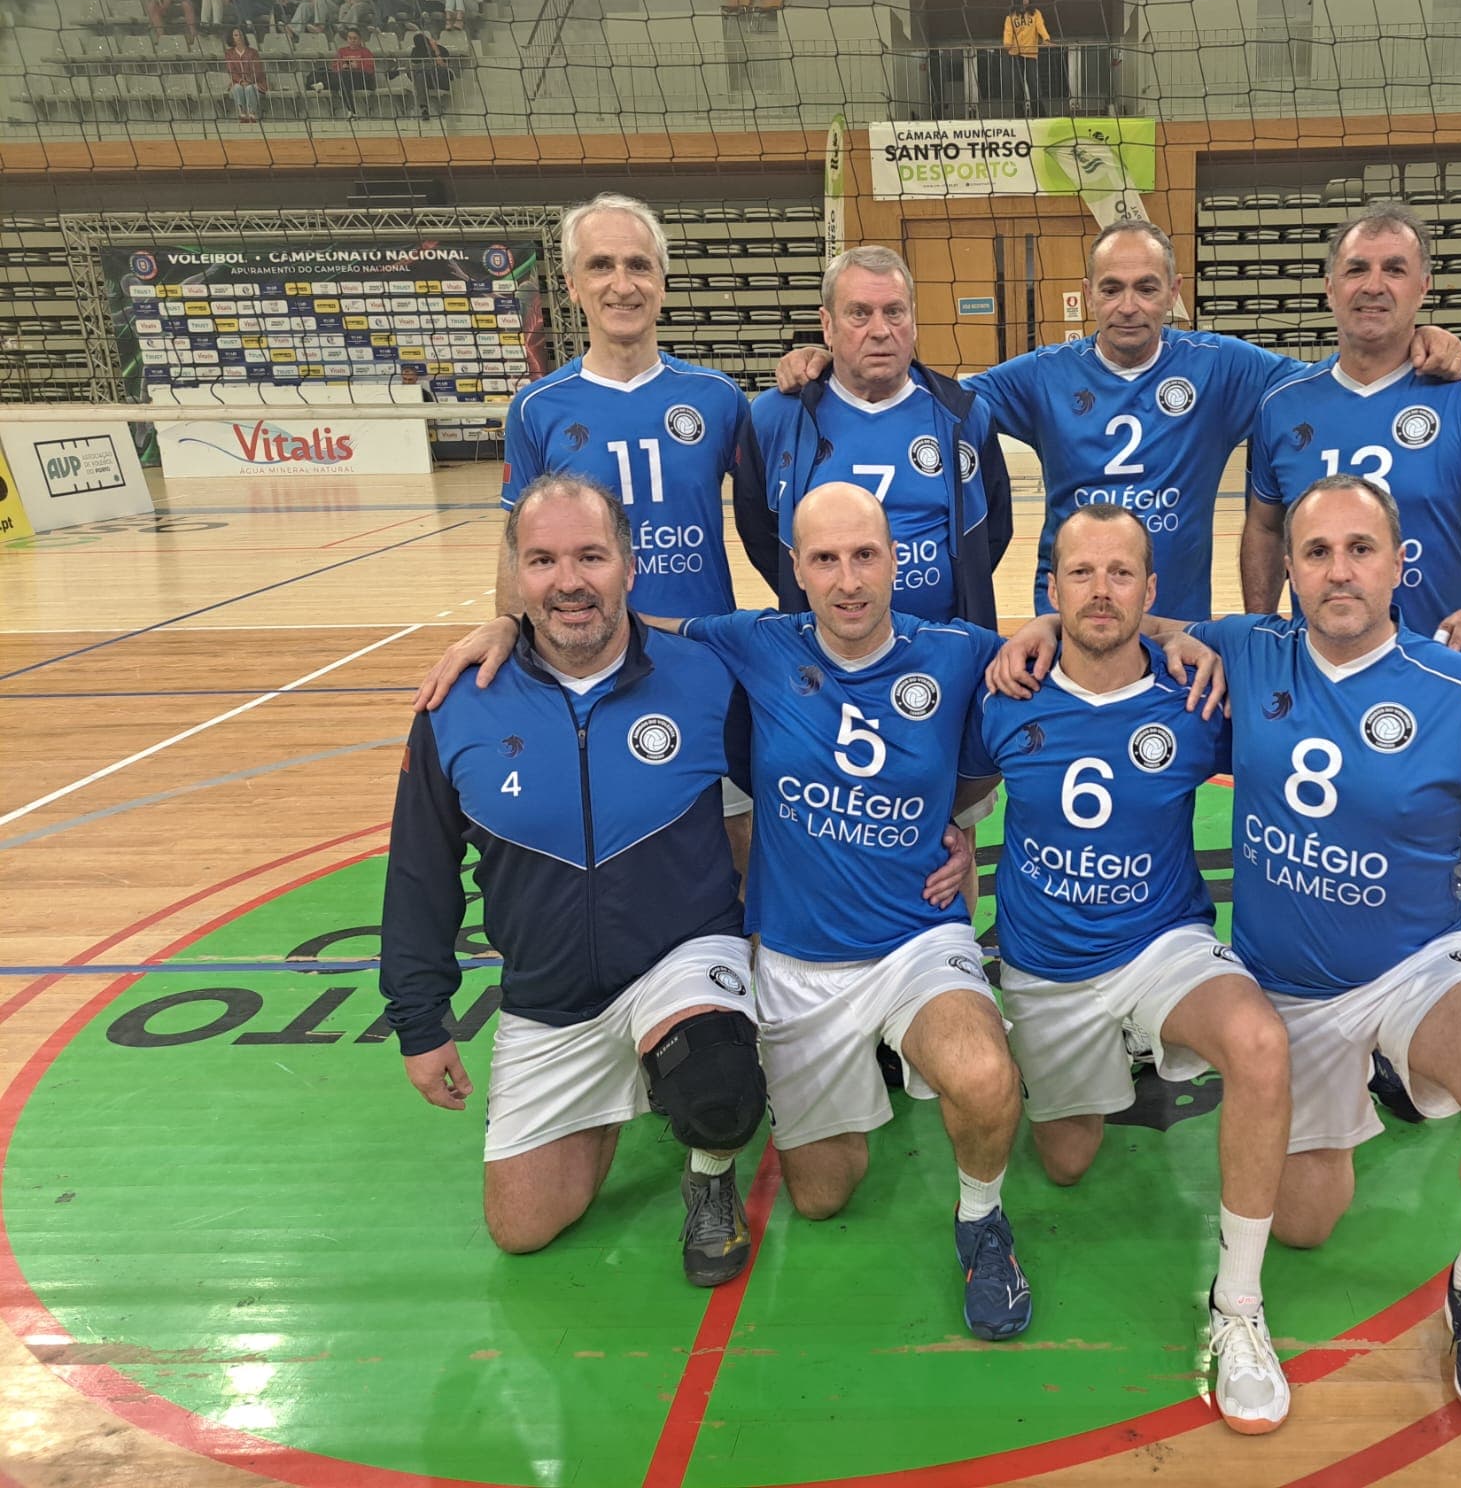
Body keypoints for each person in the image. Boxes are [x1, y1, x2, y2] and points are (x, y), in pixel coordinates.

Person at [1001, 474, 1461, 1419]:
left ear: (1400, 564)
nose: (1339, 572)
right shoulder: (1250, 651)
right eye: (1316, 553)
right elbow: (1132, 624)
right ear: (1286, 570)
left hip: (1419, 969)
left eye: (1360, 549)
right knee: (1309, 1226)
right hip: (1288, 990)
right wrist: (1038, 629)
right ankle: (1366, 1086)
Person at [380, 475, 768, 1286]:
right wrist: (420, 1022)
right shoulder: (456, 704)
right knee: (521, 1228)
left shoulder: (706, 678)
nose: (569, 582)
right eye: (544, 560)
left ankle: (708, 1166)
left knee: (720, 1083)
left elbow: (801, 791)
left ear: (630, 565)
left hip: (680, 958)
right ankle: (622, 1089)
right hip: (551, 996)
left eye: (591, 556)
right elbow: (420, 873)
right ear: (517, 577)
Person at [680, 482, 1033, 1341]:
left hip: (916, 941)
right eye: (826, 559)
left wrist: (955, 817)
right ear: (795, 568)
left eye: (865, 555)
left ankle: (982, 1219)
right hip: (800, 962)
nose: (848, 580)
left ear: (897, 560)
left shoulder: (954, 652)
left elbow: (1040, 677)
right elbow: (628, 632)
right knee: (823, 1195)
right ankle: (719, 1155)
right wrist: (509, 624)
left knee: (987, 1078)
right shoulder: (754, 643)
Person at [978, 503, 1293, 1432]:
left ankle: (1238, 1310)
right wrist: (948, 856)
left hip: (1163, 945)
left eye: (1122, 574)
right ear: (1051, 590)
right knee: (1067, 1162)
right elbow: (939, 794)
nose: (1101, 590)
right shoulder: (1005, 693)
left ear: (1153, 593)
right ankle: (1116, 1052)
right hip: (1045, 965)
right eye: (1081, 574)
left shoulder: (1197, 696)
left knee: (1259, 1045)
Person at [775, 220, 1461, 621]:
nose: (1129, 304)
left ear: (1174, 292)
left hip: (1176, 622)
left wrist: (1417, 340)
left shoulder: (1224, 368)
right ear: (1087, 298)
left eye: (1146, 287)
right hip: (1070, 616)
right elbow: (923, 396)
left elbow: (1338, 379)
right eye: (1111, 288)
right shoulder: (1044, 373)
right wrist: (826, 357)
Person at [1239, 202, 1461, 971]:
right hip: (1322, 670)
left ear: (1424, 287)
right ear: (1327, 286)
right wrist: (1262, 637)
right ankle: (1347, 994)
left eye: (1393, 269)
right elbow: (1262, 532)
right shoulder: (1284, 404)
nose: (1372, 285)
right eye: (1356, 268)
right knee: (1336, 851)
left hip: (1437, 673)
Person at [412, 193, 763, 875]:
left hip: (705, 666)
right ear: (572, 285)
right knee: (610, 850)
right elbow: (518, 546)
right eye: (600, 265)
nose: (621, 283)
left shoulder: (719, 399)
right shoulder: (539, 407)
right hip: (588, 665)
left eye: (638, 265)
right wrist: (510, 626)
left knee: (737, 847)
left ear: (663, 281)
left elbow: (766, 526)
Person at [738, 246, 1011, 630]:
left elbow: (992, 530)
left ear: (914, 322)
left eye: (894, 312)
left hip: (943, 646)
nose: (880, 330)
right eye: (859, 313)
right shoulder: (775, 417)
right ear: (828, 325)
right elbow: (761, 534)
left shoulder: (965, 414)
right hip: (824, 656)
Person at [1001, 0, 1050, 117]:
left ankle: (1039, 114)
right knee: (1018, 87)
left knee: (1033, 84)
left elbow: (1040, 27)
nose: (1026, 1)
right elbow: (1008, 31)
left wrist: (1046, 38)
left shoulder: (1035, 14)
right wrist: (1007, 43)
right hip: (1016, 53)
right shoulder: (1011, 16)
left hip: (1030, 53)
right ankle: (1019, 115)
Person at [331, 28, 378, 116]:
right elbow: (334, 66)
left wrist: (357, 66)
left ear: (360, 39)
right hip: (345, 78)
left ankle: (322, 84)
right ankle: (351, 111)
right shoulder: (341, 51)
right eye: (350, 38)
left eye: (355, 38)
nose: (352, 40)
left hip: (362, 79)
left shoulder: (365, 52)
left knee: (343, 79)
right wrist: (342, 66)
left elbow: (370, 69)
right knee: (343, 79)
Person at [224, 28, 266, 123]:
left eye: (241, 34)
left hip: (255, 81)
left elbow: (258, 70)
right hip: (237, 82)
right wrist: (241, 81)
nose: (239, 37)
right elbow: (231, 71)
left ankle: (252, 114)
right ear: (232, 38)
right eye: (236, 35)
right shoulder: (229, 53)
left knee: (249, 88)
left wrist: (249, 81)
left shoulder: (253, 52)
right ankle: (242, 114)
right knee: (238, 87)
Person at [410, 27, 452, 120]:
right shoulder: (416, 51)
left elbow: (443, 65)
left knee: (420, 70)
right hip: (426, 80)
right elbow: (414, 64)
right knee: (420, 75)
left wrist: (436, 50)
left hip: (441, 79)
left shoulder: (442, 49)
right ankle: (424, 108)